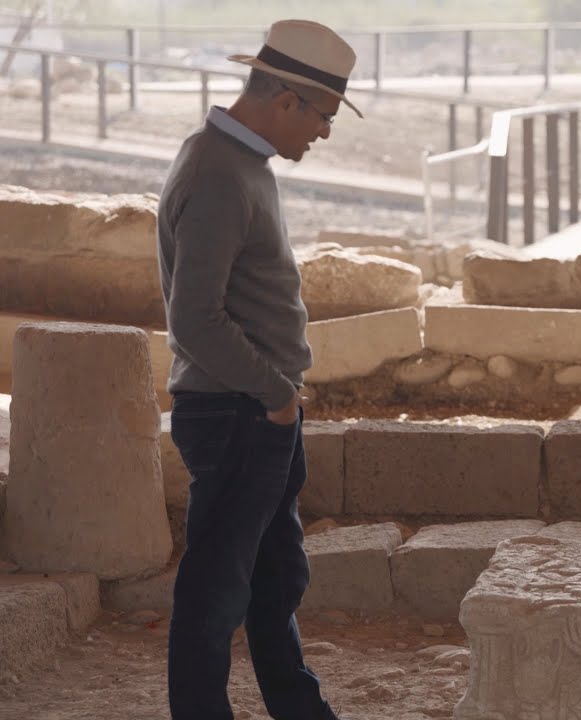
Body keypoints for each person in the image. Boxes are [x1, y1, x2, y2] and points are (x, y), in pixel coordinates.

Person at [157, 19, 363, 720]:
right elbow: (194, 319)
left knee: (275, 581)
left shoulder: (237, 162)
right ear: (286, 101)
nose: (325, 132)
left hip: (256, 410)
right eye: (324, 115)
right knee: (216, 593)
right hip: (238, 411)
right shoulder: (219, 174)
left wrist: (279, 403)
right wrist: (276, 395)